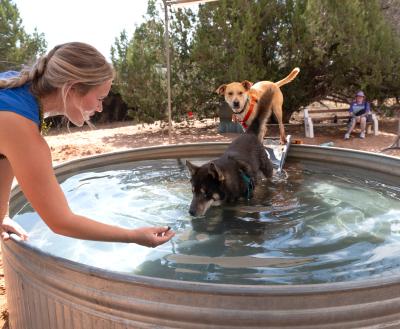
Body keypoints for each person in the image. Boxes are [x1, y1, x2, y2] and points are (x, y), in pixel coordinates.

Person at [0, 42, 174, 246]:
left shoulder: (15, 87)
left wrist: (2, 214)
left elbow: (6, 155)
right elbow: (62, 222)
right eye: (100, 98)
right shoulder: (20, 124)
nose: (100, 108)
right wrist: (132, 236)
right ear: (72, 89)